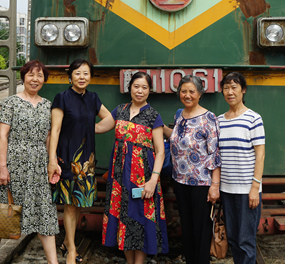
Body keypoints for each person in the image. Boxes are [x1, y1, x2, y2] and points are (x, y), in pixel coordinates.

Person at [0, 60, 59, 264]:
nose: (35, 79)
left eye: (39, 76)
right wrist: (2, 167)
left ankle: (53, 262)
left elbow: (49, 138)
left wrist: (52, 162)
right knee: (2, 210)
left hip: (38, 166)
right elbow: (3, 136)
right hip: (14, 163)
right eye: (31, 75)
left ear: (44, 80)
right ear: (23, 78)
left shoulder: (47, 105)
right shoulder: (11, 102)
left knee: (45, 213)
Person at [98, 72, 168, 263]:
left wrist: (153, 180)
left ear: (149, 91)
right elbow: (99, 127)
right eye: (136, 86)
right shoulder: (119, 111)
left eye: (144, 87)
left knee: (141, 217)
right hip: (120, 178)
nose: (140, 91)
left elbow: (160, 152)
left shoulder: (154, 116)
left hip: (143, 177)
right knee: (124, 217)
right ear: (130, 88)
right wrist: (76, 120)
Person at [48, 59, 110, 264]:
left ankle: (68, 241)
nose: (82, 77)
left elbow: (109, 119)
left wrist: (92, 128)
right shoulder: (62, 98)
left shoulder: (93, 98)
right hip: (67, 158)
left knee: (80, 203)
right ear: (70, 77)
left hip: (86, 161)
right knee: (69, 205)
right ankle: (71, 250)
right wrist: (52, 159)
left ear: (90, 77)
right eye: (77, 73)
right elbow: (55, 130)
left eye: (85, 73)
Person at [163, 75, 221, 264]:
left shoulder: (209, 118)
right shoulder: (179, 115)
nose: (187, 95)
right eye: (183, 91)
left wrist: (215, 185)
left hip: (201, 184)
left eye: (191, 91)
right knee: (187, 230)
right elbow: (177, 137)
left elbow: (215, 153)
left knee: (201, 231)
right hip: (180, 181)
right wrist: (158, 126)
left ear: (200, 94)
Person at [217, 72, 265, 264]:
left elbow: (260, 155)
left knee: (246, 241)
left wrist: (255, 187)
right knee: (234, 239)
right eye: (226, 88)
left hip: (247, 191)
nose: (230, 92)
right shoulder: (219, 121)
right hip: (227, 190)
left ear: (243, 90)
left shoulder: (253, 118)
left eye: (234, 87)